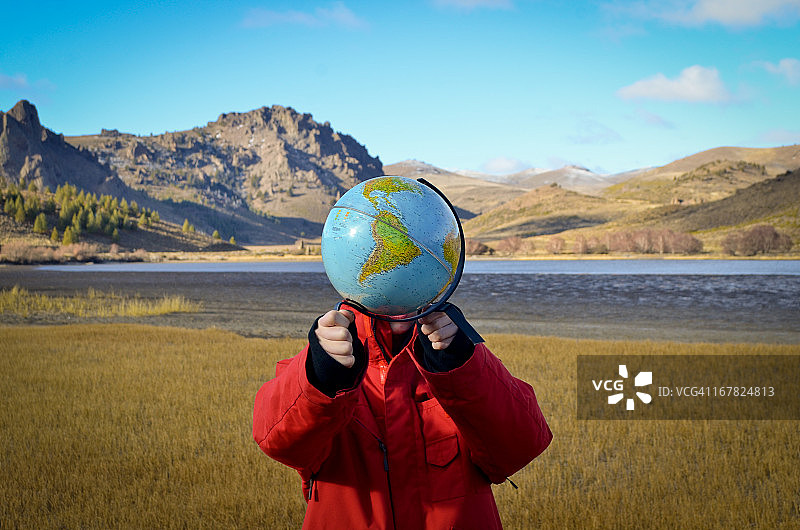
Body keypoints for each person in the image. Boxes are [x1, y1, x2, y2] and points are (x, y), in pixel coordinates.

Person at [252, 302, 552, 529]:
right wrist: (321, 373)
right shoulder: (323, 363)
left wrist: (461, 362)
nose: (395, 300)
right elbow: (278, 441)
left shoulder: (459, 361)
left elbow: (523, 443)